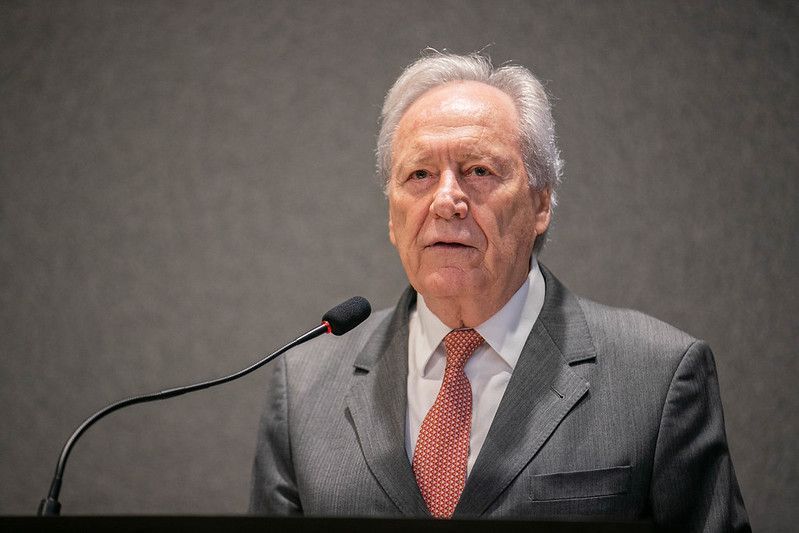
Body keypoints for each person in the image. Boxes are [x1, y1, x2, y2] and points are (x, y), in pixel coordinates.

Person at [249, 52, 750, 531]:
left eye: (479, 171)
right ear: (392, 217)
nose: (446, 200)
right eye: (419, 174)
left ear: (541, 204)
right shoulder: (305, 386)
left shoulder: (658, 377)